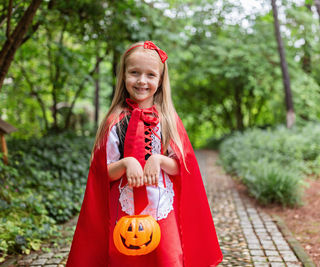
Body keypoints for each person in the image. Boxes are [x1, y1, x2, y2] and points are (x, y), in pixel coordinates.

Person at [66, 41, 223, 267]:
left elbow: (182, 167)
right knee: (125, 258)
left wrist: (159, 160)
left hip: (162, 206)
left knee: (170, 258)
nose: (142, 80)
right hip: (124, 208)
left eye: (150, 75)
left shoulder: (168, 120)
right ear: (124, 76)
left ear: (160, 81)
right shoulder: (114, 122)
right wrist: (126, 163)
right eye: (134, 73)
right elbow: (103, 173)